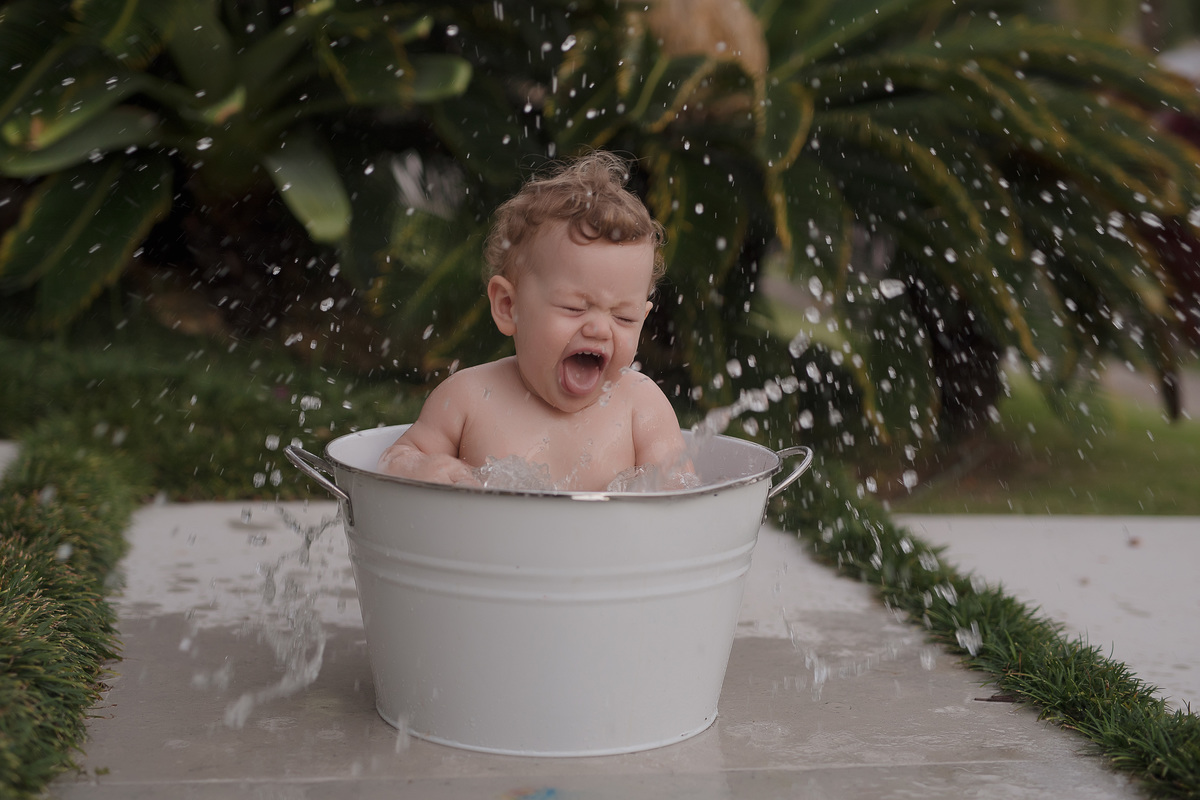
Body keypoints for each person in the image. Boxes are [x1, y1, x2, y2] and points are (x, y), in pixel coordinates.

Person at [376, 151, 692, 492]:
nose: (600, 329)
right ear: (508, 306)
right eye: (574, 308)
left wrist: (671, 486)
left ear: (643, 318)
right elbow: (396, 458)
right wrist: (419, 467)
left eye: (623, 317)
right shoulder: (467, 399)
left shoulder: (641, 406)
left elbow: (682, 491)